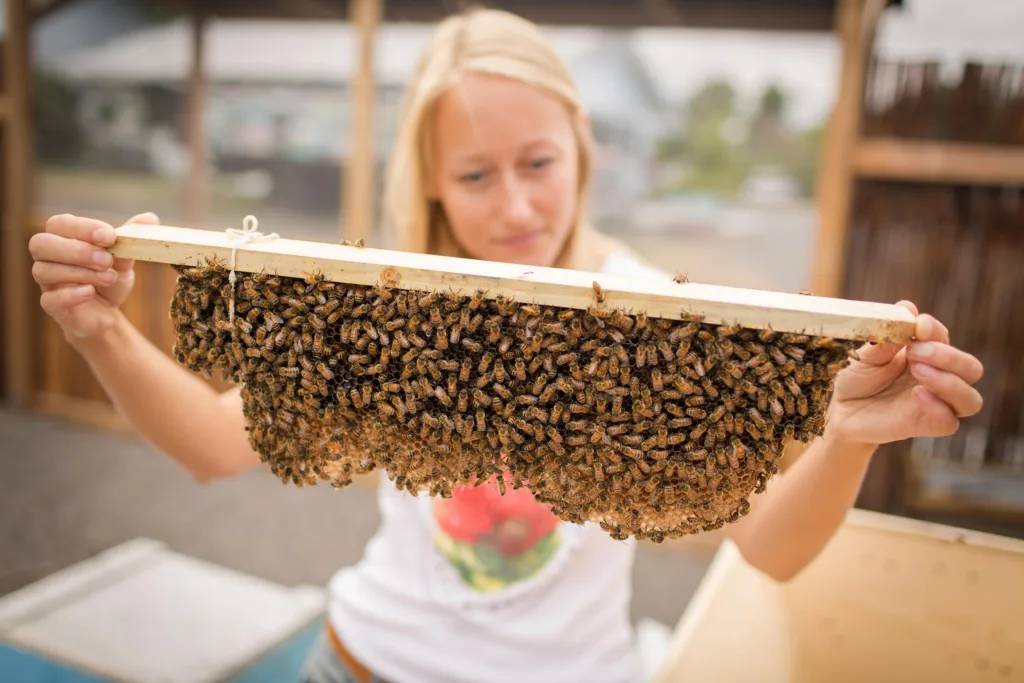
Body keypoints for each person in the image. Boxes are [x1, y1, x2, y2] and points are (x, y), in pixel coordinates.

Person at [28, 8, 985, 683]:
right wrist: (99, 327)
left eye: (537, 163)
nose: (517, 203)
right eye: (476, 174)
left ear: (584, 146)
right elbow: (212, 445)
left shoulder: (653, 309)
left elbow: (769, 550)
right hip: (364, 662)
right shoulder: (393, 309)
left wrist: (849, 434)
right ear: (434, 182)